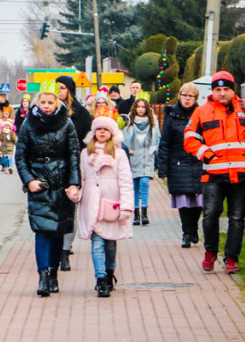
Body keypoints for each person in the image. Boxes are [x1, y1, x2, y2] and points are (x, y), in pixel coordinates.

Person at [183, 71, 245, 273]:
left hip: (241, 173)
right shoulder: (201, 112)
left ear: (233, 89)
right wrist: (207, 155)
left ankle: (231, 258)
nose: (222, 93)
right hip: (213, 174)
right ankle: (210, 250)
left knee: (237, 217)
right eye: (218, 89)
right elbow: (189, 138)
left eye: (226, 89)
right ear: (212, 91)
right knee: (210, 215)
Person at [15, 82, 81, 297]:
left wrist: (74, 183)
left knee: (57, 232)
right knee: (42, 230)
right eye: (42, 102)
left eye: (50, 102)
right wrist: (29, 180)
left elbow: (73, 154)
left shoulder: (67, 124)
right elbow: (20, 156)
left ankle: (53, 272)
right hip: (39, 181)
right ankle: (43, 275)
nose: (46, 106)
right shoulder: (28, 124)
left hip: (61, 181)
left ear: (57, 103)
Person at [75, 108, 134, 298]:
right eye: (98, 129)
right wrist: (77, 192)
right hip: (92, 204)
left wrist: (126, 206)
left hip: (112, 204)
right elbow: (82, 178)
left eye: (105, 129)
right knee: (97, 242)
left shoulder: (119, 154)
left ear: (112, 133)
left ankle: (110, 271)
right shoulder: (85, 154)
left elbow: (125, 181)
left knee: (110, 243)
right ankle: (100, 279)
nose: (101, 132)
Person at [157, 82, 204, 248]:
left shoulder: (201, 115)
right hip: (178, 162)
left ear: (195, 98)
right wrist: (162, 168)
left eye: (191, 96)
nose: (187, 99)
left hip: (198, 162)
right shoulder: (172, 116)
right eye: (184, 95)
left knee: (198, 200)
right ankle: (186, 233)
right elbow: (164, 143)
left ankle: (194, 228)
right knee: (184, 200)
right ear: (180, 96)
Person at [55, 75, 92, 272]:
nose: (58, 92)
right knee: (53, 210)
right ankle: (54, 248)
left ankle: (65, 251)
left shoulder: (82, 115)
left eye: (62, 88)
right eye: (56, 88)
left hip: (74, 167)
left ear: (69, 90)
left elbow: (88, 142)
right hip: (52, 169)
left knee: (70, 210)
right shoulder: (48, 113)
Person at [123, 93, 160, 226]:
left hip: (147, 157)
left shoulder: (152, 122)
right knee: (135, 186)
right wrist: (128, 150)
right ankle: (136, 214)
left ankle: (144, 212)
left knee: (144, 183)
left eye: (143, 107)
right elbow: (124, 137)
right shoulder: (130, 121)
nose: (140, 109)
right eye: (138, 107)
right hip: (134, 157)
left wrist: (154, 150)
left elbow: (157, 138)